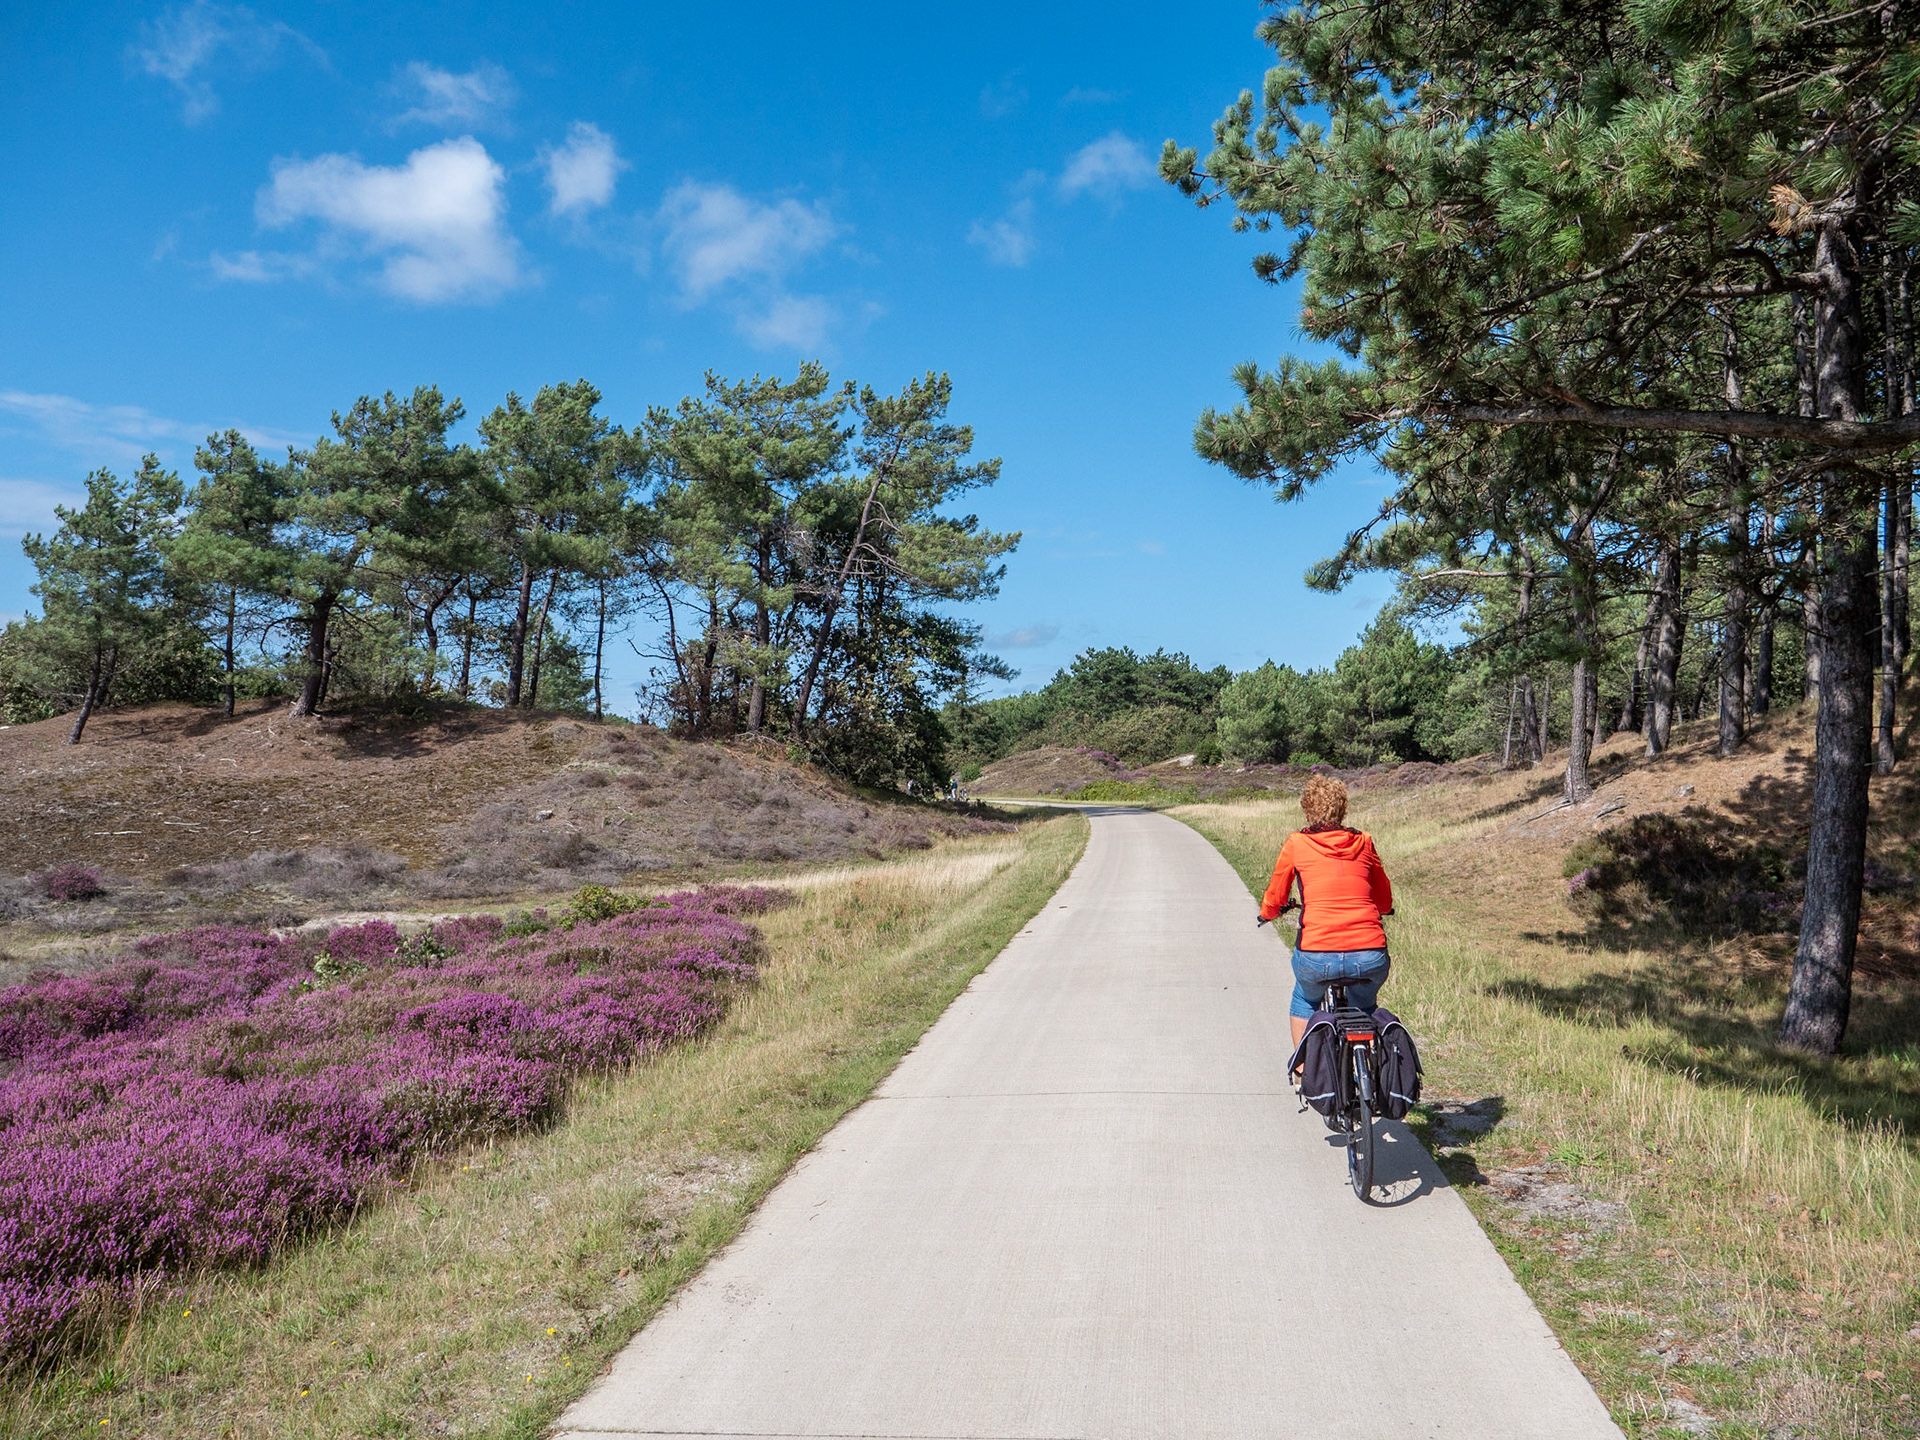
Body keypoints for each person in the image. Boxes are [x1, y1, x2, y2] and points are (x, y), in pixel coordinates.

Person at [1257, 774, 1394, 1052]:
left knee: (1305, 1000)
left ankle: (1302, 1069)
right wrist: (1384, 909)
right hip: (1368, 953)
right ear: (1343, 808)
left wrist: (1268, 913)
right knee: (1364, 1004)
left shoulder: (1297, 843)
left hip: (1317, 954)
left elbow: (1276, 892)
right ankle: (1368, 1065)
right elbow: (1383, 897)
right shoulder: (1364, 841)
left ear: (1307, 808)